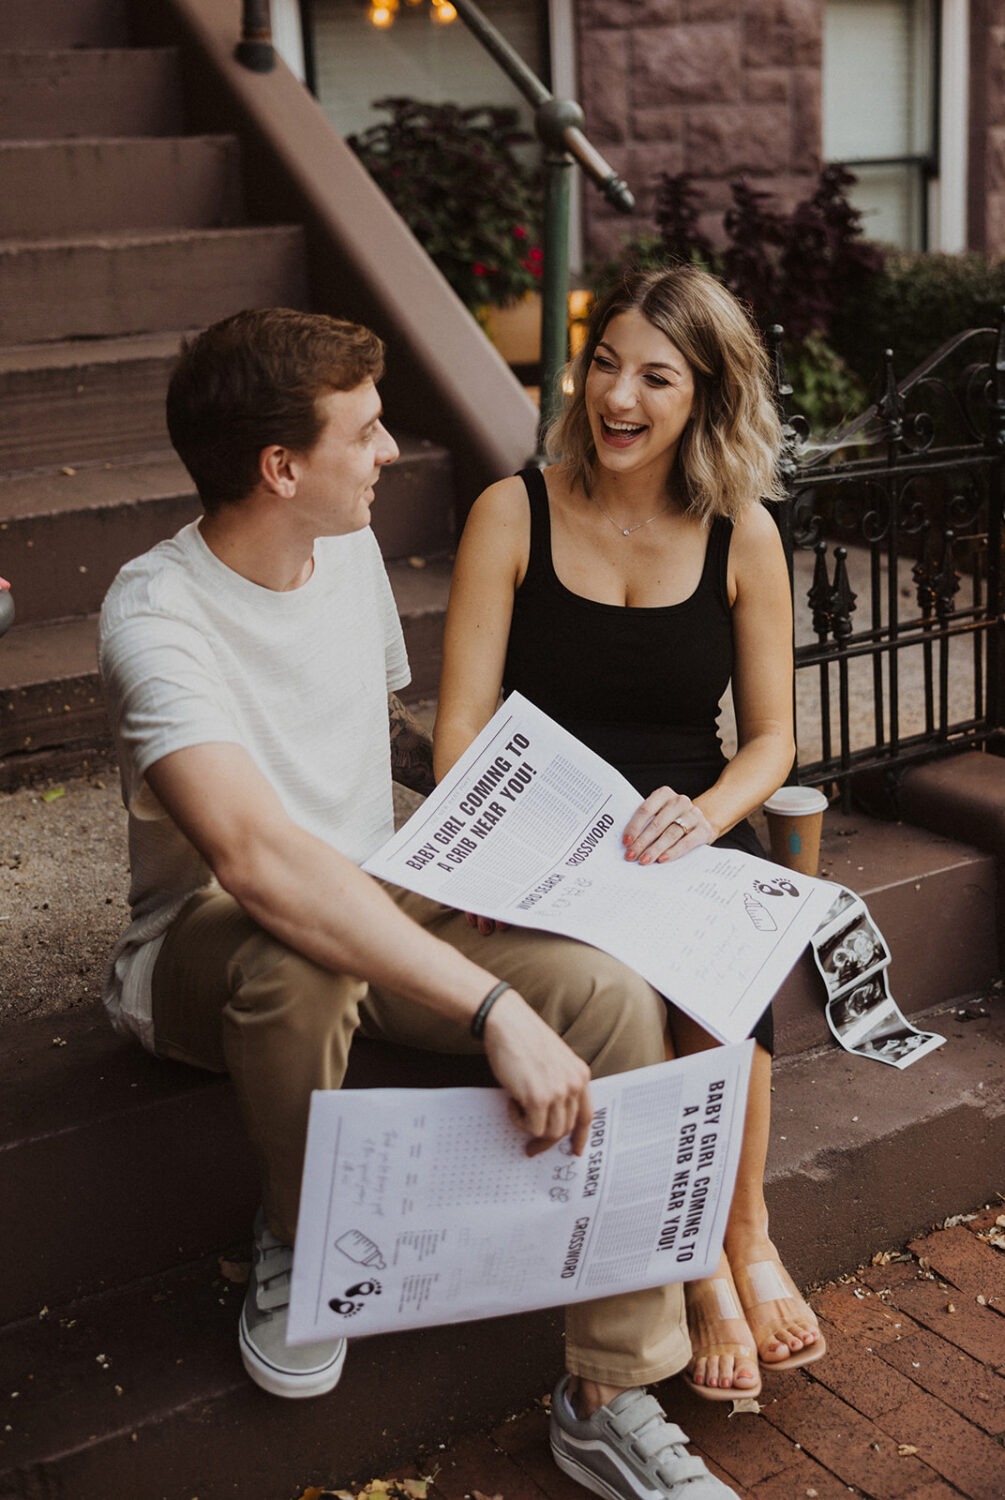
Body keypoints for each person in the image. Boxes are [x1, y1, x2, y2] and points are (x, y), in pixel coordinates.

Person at [98, 306, 739, 1500]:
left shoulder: (343, 554)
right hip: (206, 951)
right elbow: (258, 860)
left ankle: (608, 1389)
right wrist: (491, 1007)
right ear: (282, 468)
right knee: (304, 956)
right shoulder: (155, 616)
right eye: (367, 431)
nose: (393, 449)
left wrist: (523, 844)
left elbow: (382, 746)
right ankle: (303, 1227)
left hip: (381, 896)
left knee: (603, 989)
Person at [434, 265, 826, 1402]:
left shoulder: (741, 532)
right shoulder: (512, 510)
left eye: (656, 375)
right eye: (605, 362)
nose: (618, 393)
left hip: (682, 820)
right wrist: (528, 851)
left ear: (704, 395)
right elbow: (459, 731)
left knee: (723, 957)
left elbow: (773, 742)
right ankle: (701, 1271)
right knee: (623, 977)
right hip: (541, 829)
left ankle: (746, 1231)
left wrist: (701, 819)